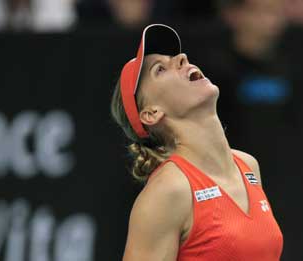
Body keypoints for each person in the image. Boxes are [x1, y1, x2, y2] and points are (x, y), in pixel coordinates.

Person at [110, 24, 283, 260]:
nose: (181, 58)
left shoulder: (247, 165)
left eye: (176, 57)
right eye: (160, 69)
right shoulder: (168, 191)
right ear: (151, 113)